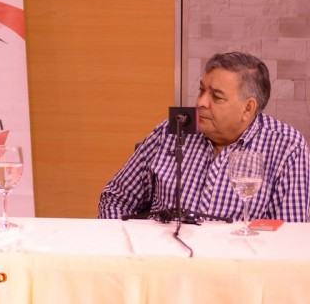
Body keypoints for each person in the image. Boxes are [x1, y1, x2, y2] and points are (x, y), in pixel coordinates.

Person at [99, 51, 310, 222]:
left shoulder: (288, 148)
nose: (201, 102)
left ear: (248, 108)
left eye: (216, 97)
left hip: (237, 260)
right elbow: (115, 199)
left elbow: (288, 234)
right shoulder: (172, 130)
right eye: (201, 90)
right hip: (164, 257)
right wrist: (130, 250)